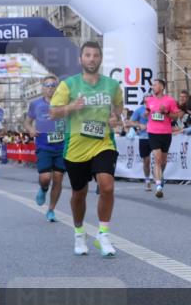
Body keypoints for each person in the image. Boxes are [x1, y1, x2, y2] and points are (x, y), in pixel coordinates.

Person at [50, 41, 125, 257]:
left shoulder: (111, 85)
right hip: (76, 148)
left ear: (100, 59)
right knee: (79, 193)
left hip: (103, 143)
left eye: (95, 55)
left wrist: (115, 116)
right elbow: (53, 111)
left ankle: (103, 235)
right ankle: (79, 232)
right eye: (88, 55)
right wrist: (71, 107)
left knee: (107, 186)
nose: (91, 59)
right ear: (80, 59)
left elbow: (119, 106)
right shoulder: (68, 85)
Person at [25, 75, 66, 221]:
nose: (50, 88)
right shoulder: (35, 104)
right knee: (45, 177)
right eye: (47, 85)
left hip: (62, 146)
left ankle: (51, 210)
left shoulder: (64, 103)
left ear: (57, 88)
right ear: (42, 88)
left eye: (53, 85)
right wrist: (30, 129)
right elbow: (28, 122)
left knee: (58, 178)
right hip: (43, 145)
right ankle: (43, 189)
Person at [145, 78, 182, 198]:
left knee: (163, 161)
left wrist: (165, 112)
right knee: (157, 158)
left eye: (154, 85)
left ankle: (160, 176)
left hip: (166, 133)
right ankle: (158, 186)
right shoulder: (149, 100)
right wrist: (146, 114)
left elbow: (176, 117)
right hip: (153, 132)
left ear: (161, 87)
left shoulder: (170, 100)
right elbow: (147, 112)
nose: (152, 87)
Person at [128, 96, 153, 190]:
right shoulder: (139, 110)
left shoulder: (156, 108)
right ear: (144, 100)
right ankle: (147, 180)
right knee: (147, 161)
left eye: (150, 99)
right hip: (144, 138)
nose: (148, 101)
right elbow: (130, 122)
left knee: (159, 159)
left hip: (156, 136)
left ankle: (159, 180)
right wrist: (139, 125)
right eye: (146, 99)